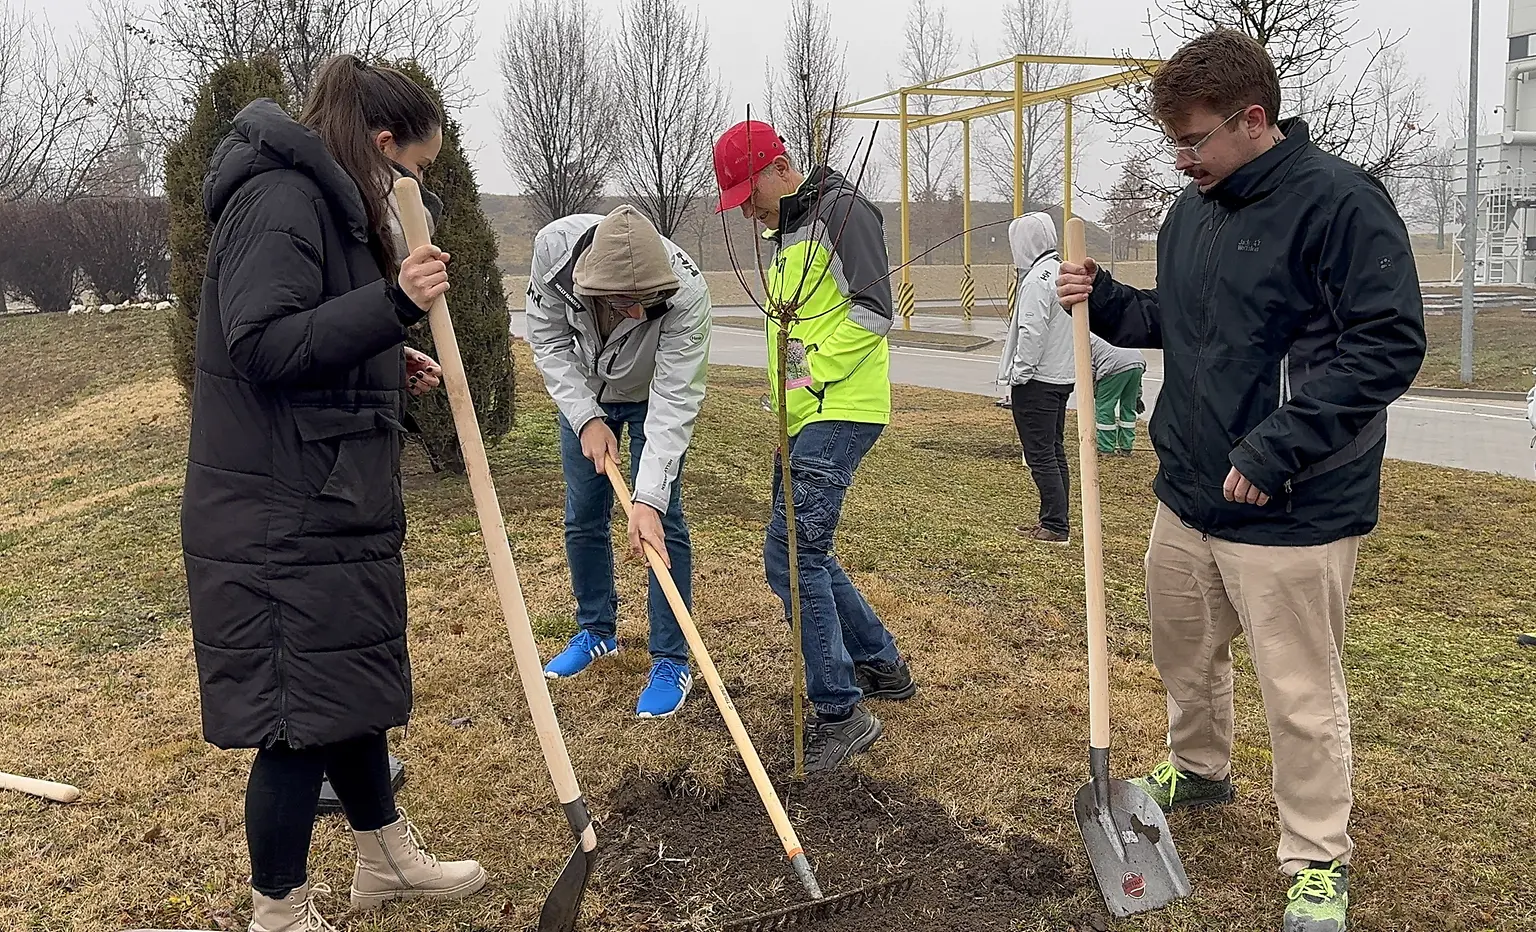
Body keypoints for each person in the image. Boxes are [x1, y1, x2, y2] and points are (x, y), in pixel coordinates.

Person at [1056, 30, 1425, 932]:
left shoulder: (1340, 205)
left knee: (1300, 694)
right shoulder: (1196, 211)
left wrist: (1274, 451)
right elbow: (1180, 325)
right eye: (1173, 144)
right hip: (1188, 493)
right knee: (1186, 651)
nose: (1181, 161)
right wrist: (1106, 299)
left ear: (1253, 119)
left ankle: (1315, 859)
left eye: (1194, 141)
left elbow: (1387, 346)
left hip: (1294, 505)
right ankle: (1203, 768)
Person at [181, 55, 486, 932]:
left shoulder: (333, 204)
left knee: (344, 687)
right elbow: (262, 346)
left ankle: (385, 858)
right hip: (275, 514)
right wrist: (391, 305)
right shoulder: (279, 199)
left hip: (325, 502)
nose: (415, 190)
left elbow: (318, 339)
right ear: (382, 145)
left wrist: (387, 362)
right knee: (292, 722)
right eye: (415, 172)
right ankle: (278, 911)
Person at [712, 119, 915, 772]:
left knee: (791, 554)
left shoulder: (843, 212)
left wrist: (816, 373)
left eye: (749, 191)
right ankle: (881, 662)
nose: (746, 207)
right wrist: (786, 393)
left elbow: (874, 312)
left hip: (843, 410)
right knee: (809, 550)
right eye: (736, 198)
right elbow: (798, 326)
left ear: (780, 165)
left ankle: (840, 710)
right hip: (802, 415)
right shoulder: (785, 233)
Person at [526, 205, 711, 719]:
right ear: (593, 286)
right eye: (627, 303)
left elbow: (676, 401)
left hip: (652, 393)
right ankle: (596, 631)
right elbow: (546, 339)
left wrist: (647, 498)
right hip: (583, 392)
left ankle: (672, 659)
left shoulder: (686, 293)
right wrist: (586, 417)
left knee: (661, 522)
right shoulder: (554, 252)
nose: (638, 312)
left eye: (647, 303)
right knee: (584, 514)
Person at [995, 211, 1075, 546]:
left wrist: (1019, 374)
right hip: (1061, 378)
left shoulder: (1034, 281)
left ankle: (1055, 525)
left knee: (1040, 453)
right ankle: (1056, 518)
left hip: (1037, 381)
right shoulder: (1062, 273)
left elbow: (1031, 331)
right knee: (1054, 450)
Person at [1089, 334, 1146, 457]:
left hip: (1113, 366)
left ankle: (1105, 448)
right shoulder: (1109, 330)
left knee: (1105, 408)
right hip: (1137, 362)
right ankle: (1126, 447)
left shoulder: (1087, 337)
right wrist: (1137, 396)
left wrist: (1094, 391)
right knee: (1128, 407)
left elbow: (1090, 369)